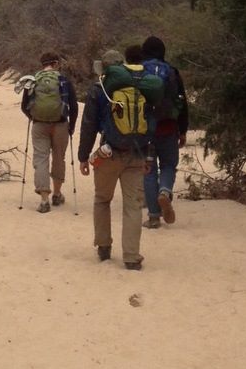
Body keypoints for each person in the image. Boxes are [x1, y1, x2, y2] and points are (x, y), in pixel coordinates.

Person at [77, 45, 154, 270]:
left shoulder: (98, 89)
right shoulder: (140, 87)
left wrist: (83, 157)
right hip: (137, 153)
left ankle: (103, 247)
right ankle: (131, 256)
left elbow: (89, 125)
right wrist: (149, 156)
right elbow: (149, 125)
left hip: (108, 153)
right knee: (132, 206)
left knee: (102, 200)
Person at [140, 34, 189, 229]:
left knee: (148, 170)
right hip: (169, 126)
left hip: (146, 129)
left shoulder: (140, 71)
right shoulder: (172, 71)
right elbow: (182, 102)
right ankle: (165, 191)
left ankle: (153, 217)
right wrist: (183, 129)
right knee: (169, 164)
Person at [21, 52, 78, 212]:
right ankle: (57, 194)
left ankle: (44, 199)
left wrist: (33, 117)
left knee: (40, 159)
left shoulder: (33, 80)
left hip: (39, 125)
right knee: (59, 158)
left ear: (42, 64)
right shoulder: (64, 80)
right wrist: (71, 126)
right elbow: (73, 106)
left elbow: (24, 105)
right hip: (60, 125)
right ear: (56, 63)